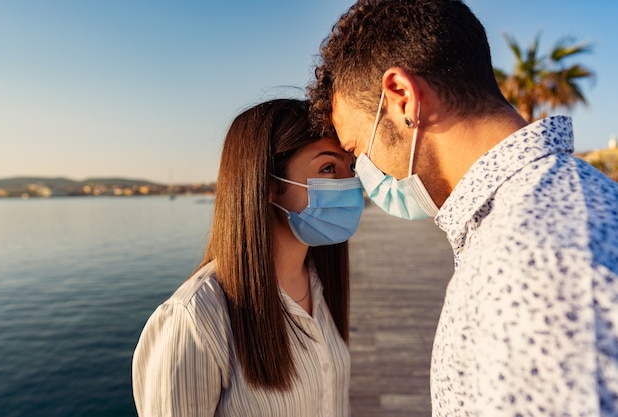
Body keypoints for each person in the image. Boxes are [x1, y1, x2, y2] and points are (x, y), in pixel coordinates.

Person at [307, 0, 618, 415]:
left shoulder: (530, 266)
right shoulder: (550, 210)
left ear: (402, 98)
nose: (363, 170)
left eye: (357, 150)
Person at [132, 99, 363, 417]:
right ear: (269, 185)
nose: (349, 184)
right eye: (327, 168)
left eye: (350, 168)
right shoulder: (195, 321)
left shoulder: (321, 285)